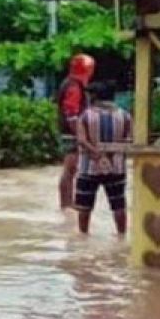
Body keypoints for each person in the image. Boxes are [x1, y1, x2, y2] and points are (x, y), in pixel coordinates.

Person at [74, 80, 132, 235]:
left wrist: (98, 156)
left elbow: (81, 140)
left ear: (94, 96)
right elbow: (129, 141)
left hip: (89, 168)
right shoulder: (125, 116)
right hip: (117, 167)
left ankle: (83, 237)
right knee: (118, 205)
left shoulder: (86, 115)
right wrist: (110, 155)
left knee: (84, 207)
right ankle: (121, 235)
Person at [55, 53, 95, 209]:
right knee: (70, 168)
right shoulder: (74, 86)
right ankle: (66, 203)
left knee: (70, 170)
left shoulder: (71, 83)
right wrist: (80, 135)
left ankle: (66, 203)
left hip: (69, 131)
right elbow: (71, 113)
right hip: (71, 133)